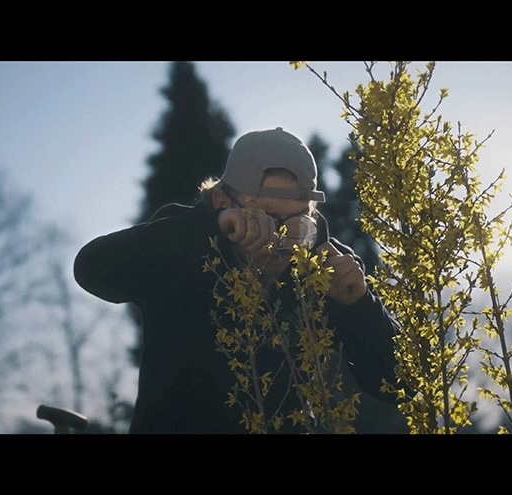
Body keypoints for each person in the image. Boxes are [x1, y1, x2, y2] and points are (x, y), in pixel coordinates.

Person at [74, 127, 403, 433]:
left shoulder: (325, 265)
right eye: (266, 218)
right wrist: (209, 229)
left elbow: (401, 385)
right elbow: (92, 269)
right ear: (222, 201)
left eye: (298, 221)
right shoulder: (184, 243)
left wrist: (360, 306)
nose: (280, 239)